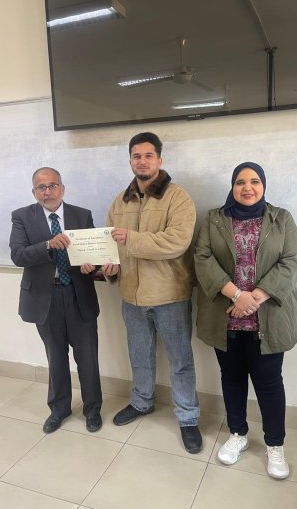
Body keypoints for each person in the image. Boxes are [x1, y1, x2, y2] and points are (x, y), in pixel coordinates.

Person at [194, 162, 297, 479]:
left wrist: (254, 298)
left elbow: (290, 261)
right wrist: (236, 295)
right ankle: (238, 434)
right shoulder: (214, 218)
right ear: (232, 187)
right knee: (232, 378)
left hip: (267, 318)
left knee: (269, 383)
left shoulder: (282, 219)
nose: (247, 187)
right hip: (225, 318)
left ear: (263, 185)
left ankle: (275, 445)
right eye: (240, 182)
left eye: (254, 181)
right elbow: (202, 258)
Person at [103, 132, 202, 453]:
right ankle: (141, 401)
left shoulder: (178, 197)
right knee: (139, 356)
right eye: (136, 156)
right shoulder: (120, 201)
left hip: (170, 296)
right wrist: (110, 266)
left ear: (160, 159)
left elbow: (177, 242)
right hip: (131, 297)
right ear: (130, 160)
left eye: (148, 155)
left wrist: (131, 240)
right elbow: (112, 246)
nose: (142, 161)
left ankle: (188, 417)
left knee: (180, 361)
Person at [10, 167, 102, 434]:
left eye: (52, 186)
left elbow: (94, 253)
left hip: (78, 295)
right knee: (56, 357)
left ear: (62, 189)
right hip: (44, 298)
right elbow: (18, 255)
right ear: (34, 192)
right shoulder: (22, 217)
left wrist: (93, 266)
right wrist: (48, 245)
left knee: (88, 358)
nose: (47, 192)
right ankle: (59, 410)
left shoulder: (82, 215)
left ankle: (92, 410)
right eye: (42, 187)